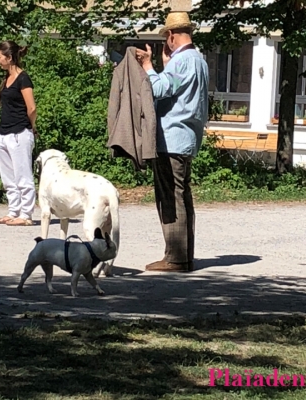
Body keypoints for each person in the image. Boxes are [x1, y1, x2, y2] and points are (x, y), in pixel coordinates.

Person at [135, 12, 209, 272]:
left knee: (170, 198)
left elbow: (159, 89)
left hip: (171, 138)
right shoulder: (198, 60)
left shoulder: (182, 61)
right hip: (187, 137)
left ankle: (175, 259)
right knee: (182, 196)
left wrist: (148, 66)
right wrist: (166, 66)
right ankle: (184, 256)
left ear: (171, 36)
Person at [0, 40, 37, 226]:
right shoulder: (7, 79)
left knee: (23, 175)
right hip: (3, 133)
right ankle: (13, 211)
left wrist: (32, 127)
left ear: (9, 58)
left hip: (19, 133)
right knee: (8, 177)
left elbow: (32, 107)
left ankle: (26, 214)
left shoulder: (23, 78)